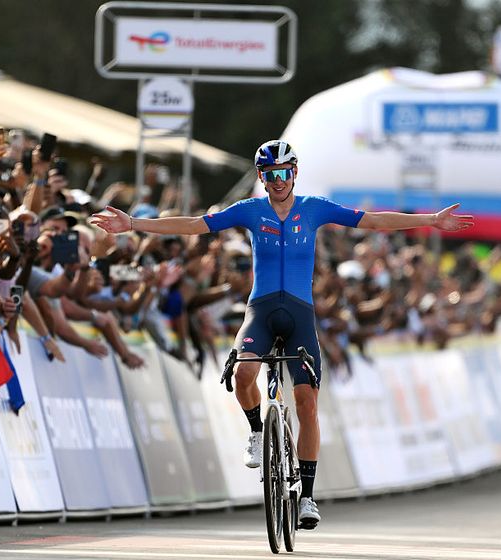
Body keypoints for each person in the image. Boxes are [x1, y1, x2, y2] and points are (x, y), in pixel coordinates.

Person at [91, 140, 474, 529]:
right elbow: (193, 226)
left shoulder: (314, 208)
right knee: (242, 374)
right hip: (260, 311)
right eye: (271, 175)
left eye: (284, 172)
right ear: (262, 177)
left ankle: (307, 497)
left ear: (295, 172)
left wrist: (429, 220)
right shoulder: (250, 210)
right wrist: (133, 225)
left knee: (306, 402)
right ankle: (258, 431)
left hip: (299, 314)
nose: (278, 181)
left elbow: (372, 221)